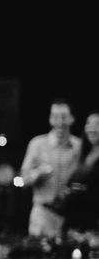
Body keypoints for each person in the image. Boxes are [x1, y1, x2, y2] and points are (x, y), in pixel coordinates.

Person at [20, 99, 82, 239]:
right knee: (40, 256)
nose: (59, 122)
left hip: (71, 215)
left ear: (72, 119)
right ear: (50, 119)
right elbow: (23, 179)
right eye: (55, 116)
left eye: (64, 117)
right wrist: (39, 173)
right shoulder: (37, 144)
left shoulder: (79, 146)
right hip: (43, 213)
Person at [49, 110, 99, 233]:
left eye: (97, 124)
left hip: (93, 223)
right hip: (74, 221)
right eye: (89, 124)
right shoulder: (83, 153)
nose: (91, 128)